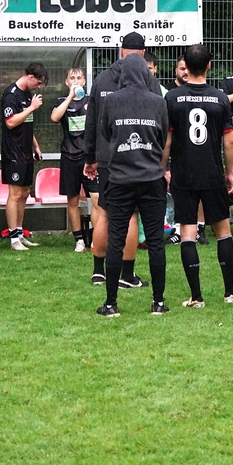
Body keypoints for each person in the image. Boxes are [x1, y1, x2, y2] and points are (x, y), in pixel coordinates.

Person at [164, 43, 233, 308]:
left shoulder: (172, 98)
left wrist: (163, 168)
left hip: (183, 173)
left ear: (185, 67)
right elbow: (229, 142)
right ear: (209, 66)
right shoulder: (220, 98)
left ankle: (196, 297)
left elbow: (167, 140)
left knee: (187, 232)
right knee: (223, 230)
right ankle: (230, 292)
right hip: (212, 173)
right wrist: (229, 172)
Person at [84, 32, 162, 286]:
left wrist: (90, 157)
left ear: (120, 50)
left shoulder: (102, 79)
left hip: (107, 157)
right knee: (130, 216)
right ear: (143, 54)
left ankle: (98, 270)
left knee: (104, 212)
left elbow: (92, 122)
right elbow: (159, 122)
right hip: (138, 157)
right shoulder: (149, 80)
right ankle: (127, 275)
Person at [96, 54, 171, 317]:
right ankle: (158, 302)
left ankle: (111, 303)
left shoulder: (111, 101)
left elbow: (106, 133)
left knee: (116, 240)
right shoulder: (158, 102)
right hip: (152, 179)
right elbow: (162, 134)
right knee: (155, 241)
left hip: (120, 179)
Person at [50, 66, 100, 253]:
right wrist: (70, 96)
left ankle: (96, 238)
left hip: (89, 159)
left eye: (79, 78)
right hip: (69, 156)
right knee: (72, 200)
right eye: (72, 78)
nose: (76, 81)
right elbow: (54, 117)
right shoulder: (61, 101)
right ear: (66, 82)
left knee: (96, 198)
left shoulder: (91, 101)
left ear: (84, 81)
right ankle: (79, 239)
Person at [2, 62, 46, 251]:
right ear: (30, 77)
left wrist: (36, 146)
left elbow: (26, 123)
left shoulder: (27, 94)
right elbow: (11, 122)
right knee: (15, 194)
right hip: (13, 152)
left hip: (27, 151)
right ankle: (13, 239)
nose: (39, 87)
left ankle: (20, 233)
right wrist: (31, 108)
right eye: (38, 82)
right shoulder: (11, 94)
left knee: (25, 193)